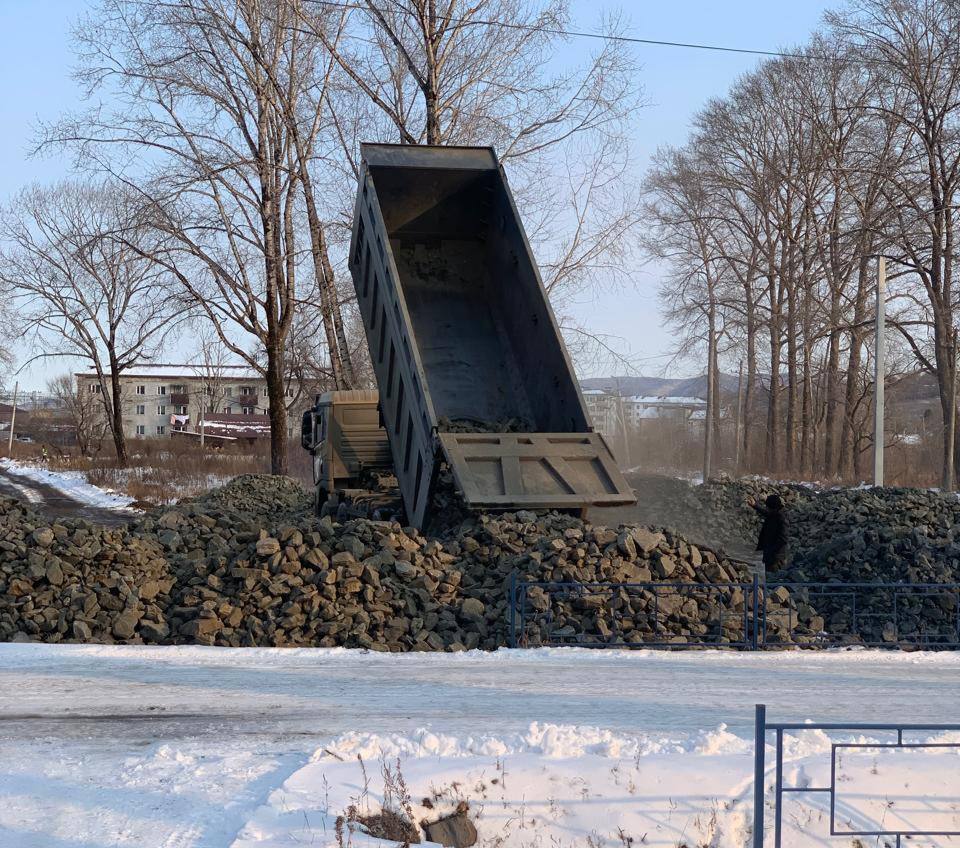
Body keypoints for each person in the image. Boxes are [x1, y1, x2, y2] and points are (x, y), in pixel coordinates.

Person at [749, 494, 788, 574]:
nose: (766, 508)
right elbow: (766, 513)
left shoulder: (781, 518)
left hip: (775, 558)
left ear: (772, 507)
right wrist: (754, 505)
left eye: (768, 506)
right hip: (770, 555)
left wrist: (770, 551)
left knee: (772, 579)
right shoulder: (774, 514)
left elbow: (783, 540)